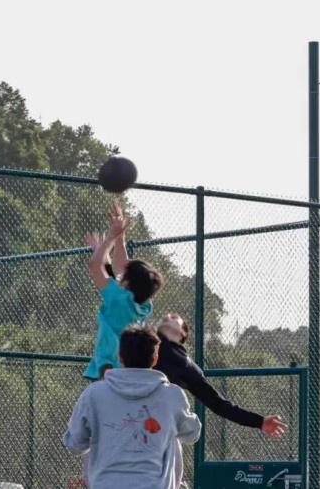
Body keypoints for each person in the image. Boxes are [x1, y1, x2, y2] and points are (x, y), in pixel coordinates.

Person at [153, 313, 288, 487]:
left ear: (182, 334)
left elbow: (219, 404)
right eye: (166, 316)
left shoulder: (185, 365)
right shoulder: (137, 340)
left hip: (158, 432)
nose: (169, 317)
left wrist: (259, 421)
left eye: (174, 317)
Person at [63, 325, 201, 488]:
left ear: (120, 357)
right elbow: (192, 435)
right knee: (173, 436)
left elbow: (75, 445)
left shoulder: (94, 394)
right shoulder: (172, 396)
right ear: (155, 358)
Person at [83, 201, 164, 380]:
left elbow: (95, 265)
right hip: (129, 368)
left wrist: (111, 237)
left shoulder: (118, 299)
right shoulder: (144, 305)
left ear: (127, 283)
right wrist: (120, 237)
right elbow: (118, 269)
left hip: (108, 367)